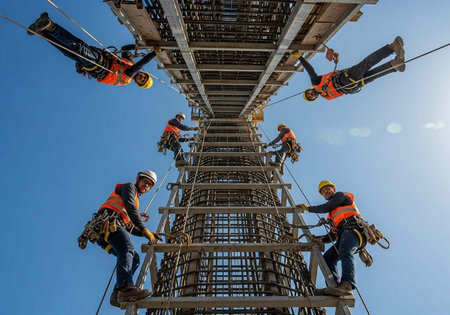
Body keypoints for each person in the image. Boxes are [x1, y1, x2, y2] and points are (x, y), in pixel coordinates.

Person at [78, 171, 161, 307]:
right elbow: (131, 209)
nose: (146, 186)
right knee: (127, 249)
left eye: (149, 185)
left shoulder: (133, 201)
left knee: (134, 258)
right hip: (108, 224)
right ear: (138, 179)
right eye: (145, 182)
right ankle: (125, 289)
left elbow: (129, 226)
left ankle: (117, 294)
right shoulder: (129, 188)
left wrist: (146, 234)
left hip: (108, 231)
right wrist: (144, 230)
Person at [27, 12, 160, 88]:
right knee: (67, 51)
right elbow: (124, 49)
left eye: (142, 81)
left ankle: (50, 27)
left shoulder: (129, 76)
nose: (142, 77)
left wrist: (154, 53)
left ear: (137, 83)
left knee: (77, 46)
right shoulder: (128, 64)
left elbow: (140, 65)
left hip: (100, 65)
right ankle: (43, 32)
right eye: (144, 77)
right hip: (97, 65)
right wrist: (137, 47)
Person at [297, 180, 366, 296]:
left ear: (333, 189)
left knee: (345, 251)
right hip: (345, 234)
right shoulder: (332, 215)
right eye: (323, 191)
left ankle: (347, 285)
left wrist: (308, 209)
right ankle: (334, 287)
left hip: (354, 230)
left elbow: (326, 206)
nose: (325, 192)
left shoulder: (340, 196)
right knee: (328, 258)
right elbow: (333, 236)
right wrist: (319, 239)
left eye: (327, 189)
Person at [294, 36, 405, 102]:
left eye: (308, 94)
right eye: (310, 97)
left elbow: (309, 70)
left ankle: (393, 58)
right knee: (369, 69)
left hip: (347, 83)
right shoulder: (325, 96)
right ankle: (392, 56)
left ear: (309, 90)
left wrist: (300, 58)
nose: (310, 95)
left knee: (370, 69)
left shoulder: (316, 82)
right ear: (314, 99)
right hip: (348, 85)